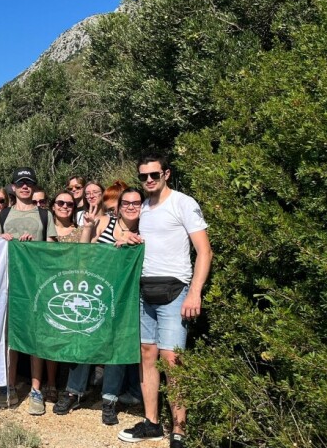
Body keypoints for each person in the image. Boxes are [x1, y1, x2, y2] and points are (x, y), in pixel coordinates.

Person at [118, 154, 212, 448]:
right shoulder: (142, 208)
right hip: (144, 291)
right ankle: (152, 423)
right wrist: (126, 239)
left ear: (166, 174)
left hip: (176, 291)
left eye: (153, 175)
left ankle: (179, 430)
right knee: (147, 355)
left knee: (172, 361)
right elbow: (130, 237)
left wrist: (195, 291)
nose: (148, 180)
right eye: (143, 176)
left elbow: (204, 251)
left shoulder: (183, 203)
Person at [56, 187, 145, 425]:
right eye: (126, 203)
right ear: (119, 205)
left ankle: (109, 399)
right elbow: (84, 252)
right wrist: (88, 227)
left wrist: (131, 241)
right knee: (84, 337)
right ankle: (74, 391)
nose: (130, 207)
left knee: (117, 343)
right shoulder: (105, 221)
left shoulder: (145, 228)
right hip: (96, 289)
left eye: (136, 204)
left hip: (125, 295)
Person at [0, 167, 57, 414]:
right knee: (9, 338)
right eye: (21, 183)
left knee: (34, 337)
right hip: (7, 282)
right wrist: (2, 239)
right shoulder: (4, 213)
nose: (25, 187)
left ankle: (36, 390)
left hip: (34, 283)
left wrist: (35, 248)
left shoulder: (44, 215)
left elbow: (52, 249)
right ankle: (8, 387)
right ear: (14, 187)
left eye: (29, 182)